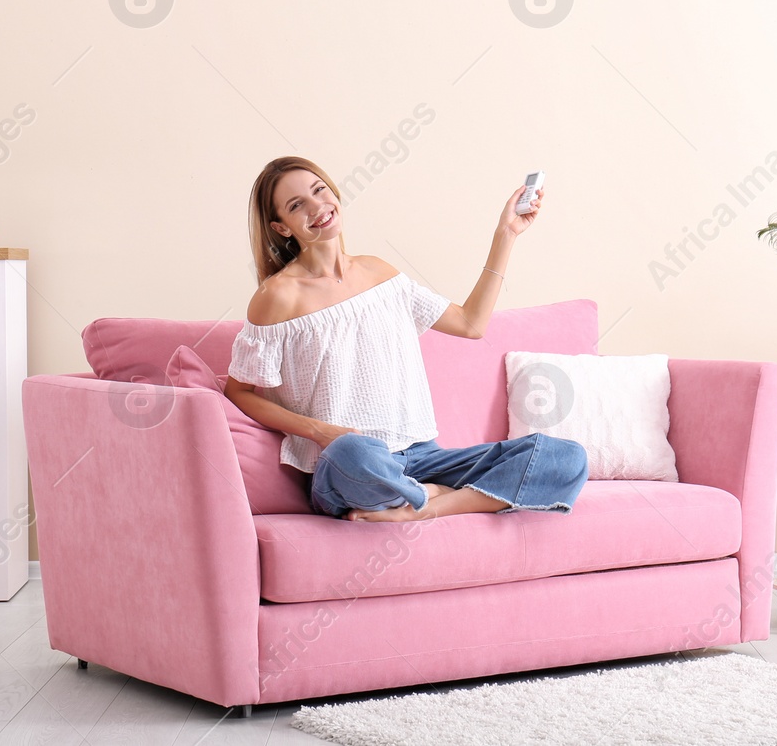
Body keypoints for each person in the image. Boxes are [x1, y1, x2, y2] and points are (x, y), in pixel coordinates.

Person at [225, 156, 589, 522]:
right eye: (296, 205)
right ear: (282, 227)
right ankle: (423, 497)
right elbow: (239, 392)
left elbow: (470, 323)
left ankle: (424, 507)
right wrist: (320, 432)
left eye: (319, 190)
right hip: (350, 467)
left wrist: (505, 233)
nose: (318, 206)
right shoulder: (277, 297)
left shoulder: (379, 273)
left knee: (566, 458)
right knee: (353, 451)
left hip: (424, 458)